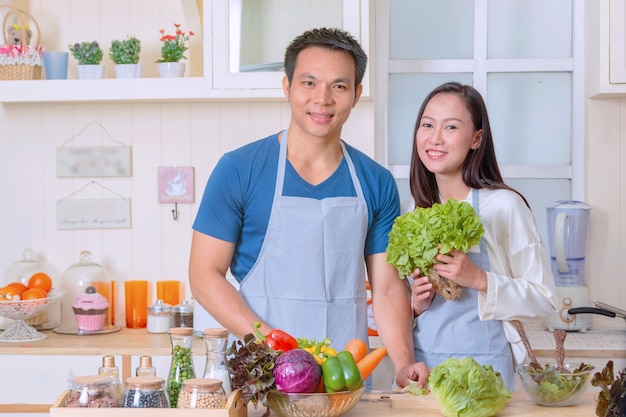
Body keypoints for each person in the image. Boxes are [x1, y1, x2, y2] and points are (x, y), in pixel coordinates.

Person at [189, 27, 427, 388]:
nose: (323, 99)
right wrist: (274, 345)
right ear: (287, 87)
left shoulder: (375, 181)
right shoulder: (239, 169)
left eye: (339, 86)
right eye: (309, 83)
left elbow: (389, 288)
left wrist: (404, 363)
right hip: (263, 378)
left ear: (356, 94)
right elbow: (204, 275)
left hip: (344, 381)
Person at [403, 81, 558, 390]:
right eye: (427, 125)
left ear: (476, 139)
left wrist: (479, 279)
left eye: (450, 127)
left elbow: (545, 299)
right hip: (426, 369)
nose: (435, 138)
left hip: (486, 373)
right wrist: (416, 305)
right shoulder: (414, 211)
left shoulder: (504, 206)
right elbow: (413, 309)